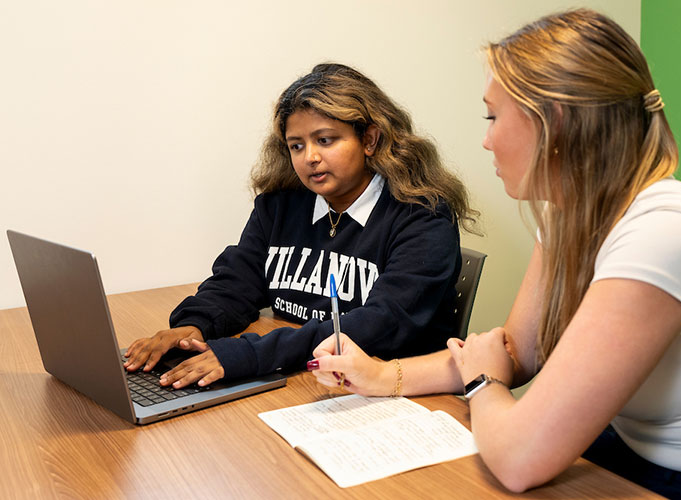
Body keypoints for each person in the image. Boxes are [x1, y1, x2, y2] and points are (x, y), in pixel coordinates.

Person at [308, 10, 681, 499]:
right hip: (630, 453)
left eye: (493, 117)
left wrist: (482, 381)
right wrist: (380, 376)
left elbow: (519, 457)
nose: (486, 140)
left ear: (556, 123)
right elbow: (518, 353)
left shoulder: (667, 231)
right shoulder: (567, 212)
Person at [123, 63, 479, 390]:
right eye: (296, 145)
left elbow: (379, 325)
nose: (310, 157)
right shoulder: (280, 205)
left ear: (369, 140)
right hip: (303, 378)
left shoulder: (424, 217)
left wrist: (249, 355)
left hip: (391, 394)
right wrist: (192, 328)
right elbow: (238, 281)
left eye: (325, 140)